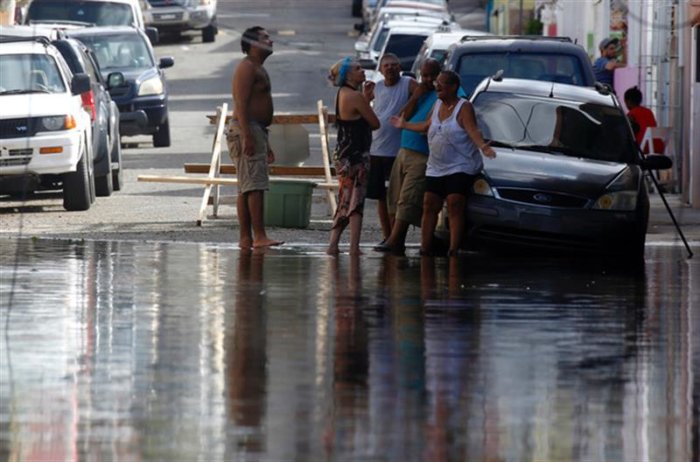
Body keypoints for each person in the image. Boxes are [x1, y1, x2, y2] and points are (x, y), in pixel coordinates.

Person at [391, 70, 496, 256]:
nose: (437, 86)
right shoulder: (438, 103)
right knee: (429, 204)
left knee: (455, 202)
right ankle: (425, 247)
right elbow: (426, 125)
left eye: (442, 83)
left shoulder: (464, 107)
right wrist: (404, 125)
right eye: (437, 83)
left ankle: (454, 249)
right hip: (437, 166)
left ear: (454, 87)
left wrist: (483, 147)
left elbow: (472, 130)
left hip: (460, 165)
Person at [374, 58, 441, 254]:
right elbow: (402, 115)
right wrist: (415, 97)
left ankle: (396, 240)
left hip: (422, 154)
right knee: (393, 198)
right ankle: (394, 239)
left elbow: (426, 127)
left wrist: (405, 126)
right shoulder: (421, 92)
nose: (428, 80)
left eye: (432, 76)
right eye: (425, 75)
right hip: (403, 149)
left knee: (408, 198)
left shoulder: (443, 94)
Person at [227, 26, 283, 249]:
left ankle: (247, 238)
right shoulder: (247, 67)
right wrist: (248, 136)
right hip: (246, 129)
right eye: (265, 38)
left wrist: (264, 141)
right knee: (253, 186)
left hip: (254, 129)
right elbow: (240, 103)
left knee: (247, 185)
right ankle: (258, 236)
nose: (271, 41)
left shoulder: (257, 67)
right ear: (253, 44)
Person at [327, 57, 380, 255]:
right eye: (358, 69)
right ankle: (353, 247)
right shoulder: (355, 96)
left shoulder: (343, 93)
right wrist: (368, 101)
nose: (363, 71)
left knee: (345, 199)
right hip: (356, 156)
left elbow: (356, 116)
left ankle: (334, 243)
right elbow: (374, 123)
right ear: (348, 75)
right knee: (356, 202)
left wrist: (366, 99)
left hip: (343, 153)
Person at [366, 53, 417, 243]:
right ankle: (387, 236)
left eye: (394, 65)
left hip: (397, 152)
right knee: (381, 198)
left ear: (400, 68)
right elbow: (363, 107)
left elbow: (422, 93)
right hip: (376, 150)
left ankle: (396, 238)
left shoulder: (408, 83)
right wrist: (365, 94)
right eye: (386, 66)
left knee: (396, 198)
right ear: (380, 70)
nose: (390, 68)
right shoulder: (376, 88)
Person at [624, 86, 664, 154]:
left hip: (644, 147)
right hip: (659, 146)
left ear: (628, 101)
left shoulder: (631, 115)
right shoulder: (649, 112)